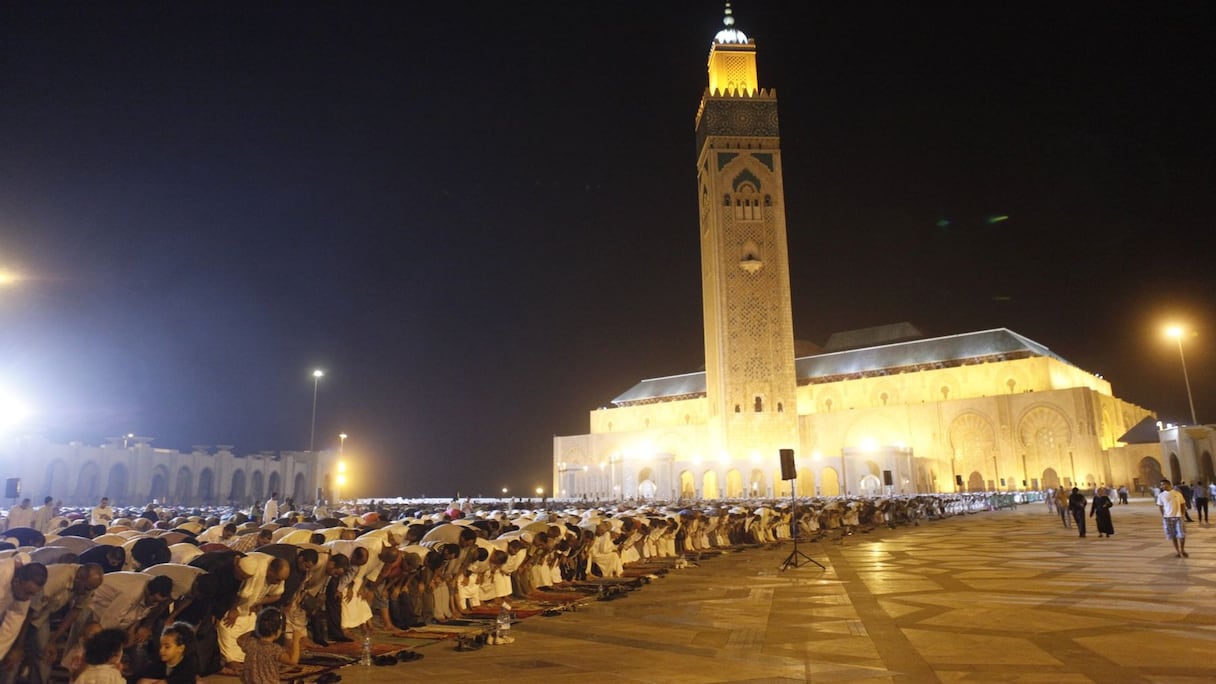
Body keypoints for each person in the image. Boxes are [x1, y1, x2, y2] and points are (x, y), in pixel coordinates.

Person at [236, 607, 301, 684]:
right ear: (277, 631)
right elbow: (293, 660)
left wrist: (254, 631)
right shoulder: (274, 649)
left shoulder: (251, 643)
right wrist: (296, 640)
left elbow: (239, 639)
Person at [133, 621, 199, 684]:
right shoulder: (158, 662)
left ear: (181, 648)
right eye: (161, 646)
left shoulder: (189, 666)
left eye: (167, 647)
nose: (161, 650)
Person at [1157, 479, 1189, 558]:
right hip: (1168, 518)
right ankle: (1178, 552)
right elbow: (1160, 506)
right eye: (1161, 485)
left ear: (1168, 484)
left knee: (1182, 535)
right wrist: (1163, 516)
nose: (1161, 486)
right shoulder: (1161, 495)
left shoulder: (1177, 494)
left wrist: (1182, 514)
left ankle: (1182, 550)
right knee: (1173, 535)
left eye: (1163, 484)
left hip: (1178, 517)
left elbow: (1183, 504)